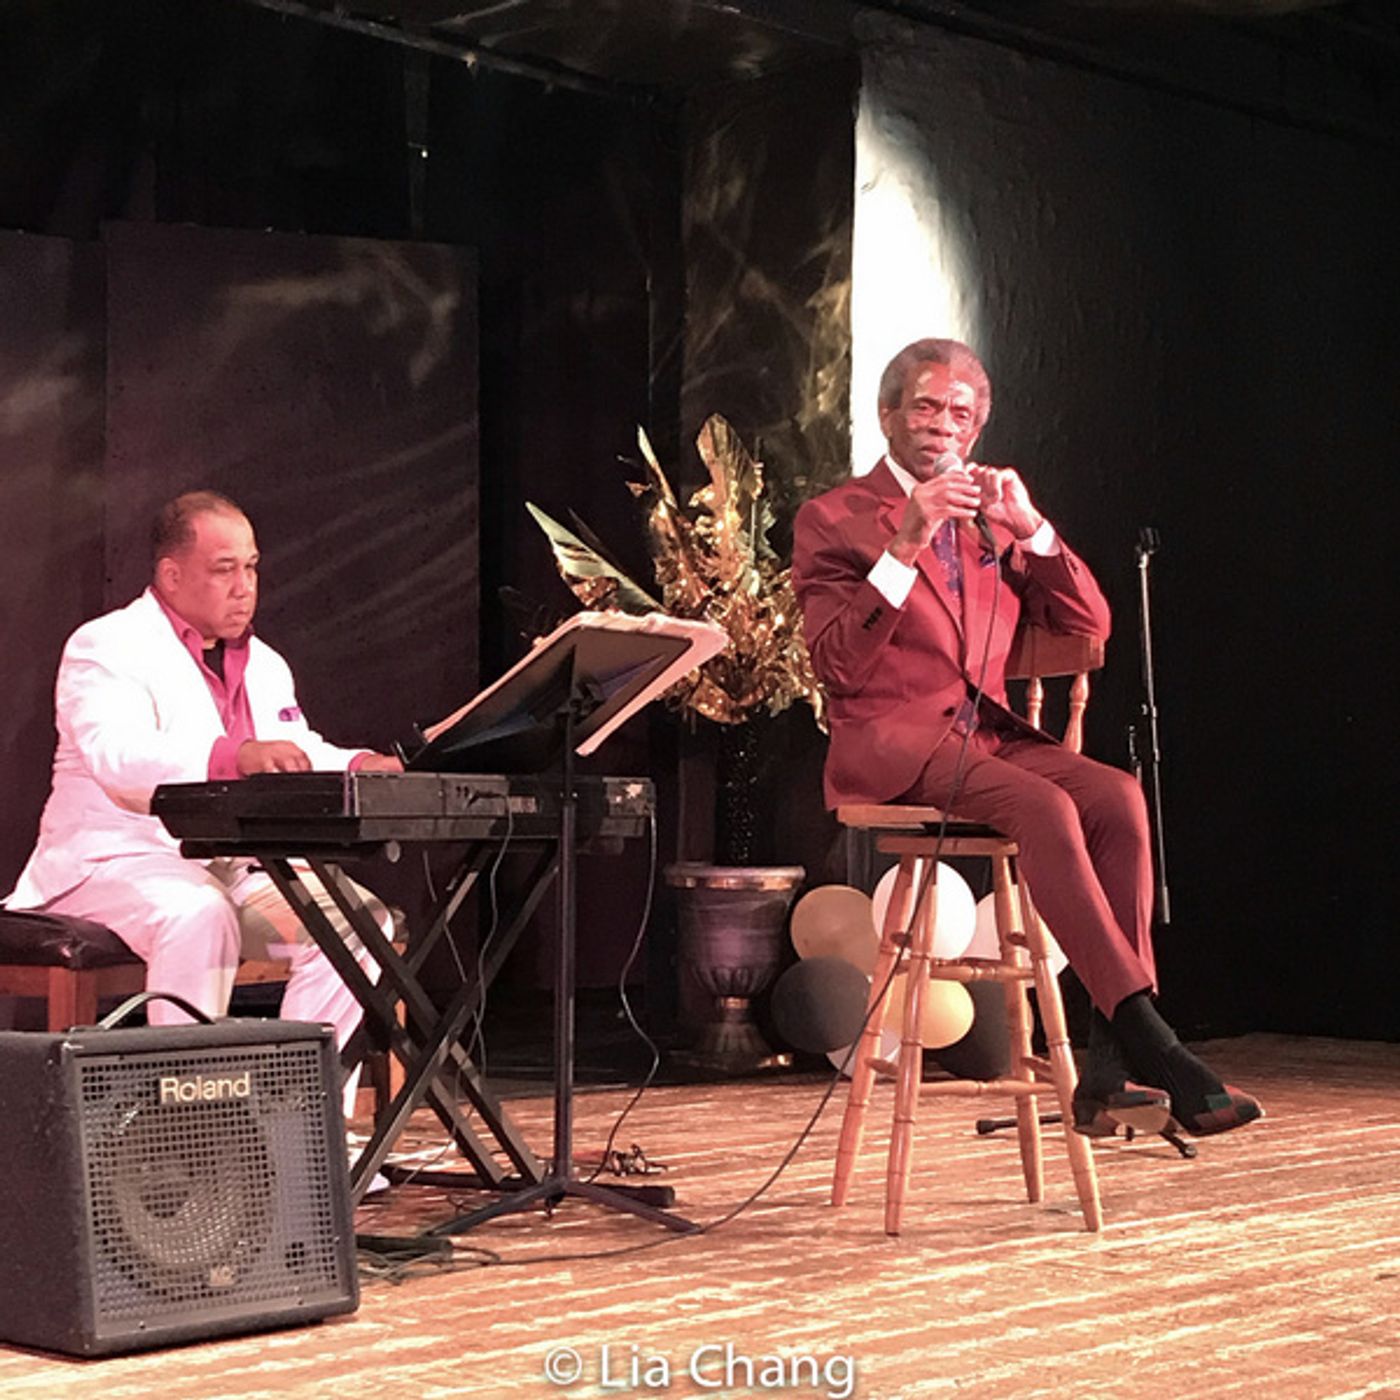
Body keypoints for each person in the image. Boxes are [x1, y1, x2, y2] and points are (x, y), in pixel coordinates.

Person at [792, 338, 1260, 1138]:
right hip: (895, 743)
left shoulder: (988, 524)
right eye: (928, 407)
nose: (945, 427)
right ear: (889, 416)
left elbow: (1088, 627)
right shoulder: (834, 519)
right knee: (1042, 806)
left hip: (984, 735)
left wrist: (1034, 529)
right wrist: (904, 541)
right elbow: (836, 661)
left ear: (978, 430)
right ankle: (1154, 1042)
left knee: (1114, 795)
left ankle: (1104, 1067)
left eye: (962, 414)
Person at [3, 489, 400, 1113]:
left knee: (357, 924)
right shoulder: (106, 646)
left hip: (229, 867)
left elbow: (294, 746)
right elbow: (120, 757)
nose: (245, 586)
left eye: (251, 567)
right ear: (171, 574)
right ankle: (186, 1130)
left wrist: (360, 765)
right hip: (112, 863)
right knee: (200, 914)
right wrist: (230, 756)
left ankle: (304, 1131)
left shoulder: (264, 663)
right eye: (225, 570)